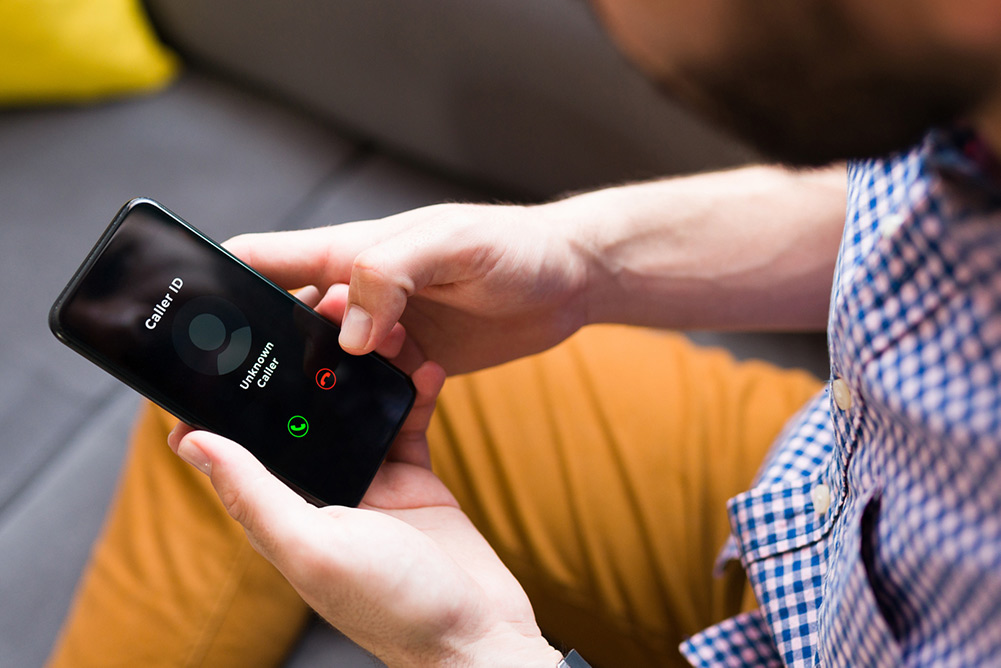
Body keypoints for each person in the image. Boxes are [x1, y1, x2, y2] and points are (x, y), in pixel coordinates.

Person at [48, 0, 1001, 666]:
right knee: (236, 416)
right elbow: (922, 189)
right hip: (825, 479)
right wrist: (582, 259)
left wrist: (473, 650)